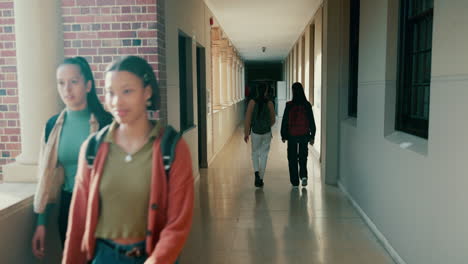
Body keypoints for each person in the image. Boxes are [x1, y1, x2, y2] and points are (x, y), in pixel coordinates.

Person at [62, 56, 194, 264]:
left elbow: (178, 222)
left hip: (155, 256)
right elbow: (78, 220)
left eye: (127, 91)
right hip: (104, 256)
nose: (117, 101)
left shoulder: (172, 148)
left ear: (147, 92)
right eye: (110, 92)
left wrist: (157, 260)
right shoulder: (92, 149)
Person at [32, 57, 113, 259]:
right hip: (69, 208)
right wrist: (41, 223)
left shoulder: (107, 123)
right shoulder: (52, 127)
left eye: (73, 82)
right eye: (61, 82)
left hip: (106, 208)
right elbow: (46, 177)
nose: (67, 89)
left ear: (87, 85)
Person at [281, 82, 316, 188]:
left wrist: (283, 135)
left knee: (292, 157)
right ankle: (304, 176)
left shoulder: (289, 105)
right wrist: (312, 135)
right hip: (304, 135)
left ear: (293, 91)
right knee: (303, 156)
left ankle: (295, 181)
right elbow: (311, 121)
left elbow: (285, 121)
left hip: (292, 135)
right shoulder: (307, 105)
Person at [244, 83, 276, 187]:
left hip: (255, 132)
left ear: (257, 90)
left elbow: (248, 119)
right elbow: (273, 120)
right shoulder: (270, 103)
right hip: (266, 132)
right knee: (264, 155)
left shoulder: (252, 102)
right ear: (266, 91)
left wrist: (246, 133)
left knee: (254, 153)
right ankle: (261, 179)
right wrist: (267, 126)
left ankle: (256, 173)